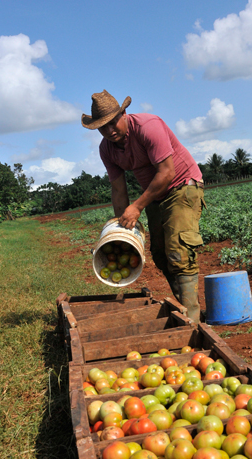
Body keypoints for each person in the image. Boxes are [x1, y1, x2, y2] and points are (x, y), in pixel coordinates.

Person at [81, 90, 205, 323]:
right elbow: (118, 189)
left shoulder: (149, 126)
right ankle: (186, 310)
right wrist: (121, 232)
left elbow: (167, 172)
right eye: (102, 127)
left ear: (124, 113)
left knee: (178, 251)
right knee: (160, 255)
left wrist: (136, 207)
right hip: (155, 195)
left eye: (112, 122)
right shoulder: (106, 149)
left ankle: (194, 323)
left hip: (182, 185)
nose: (109, 131)